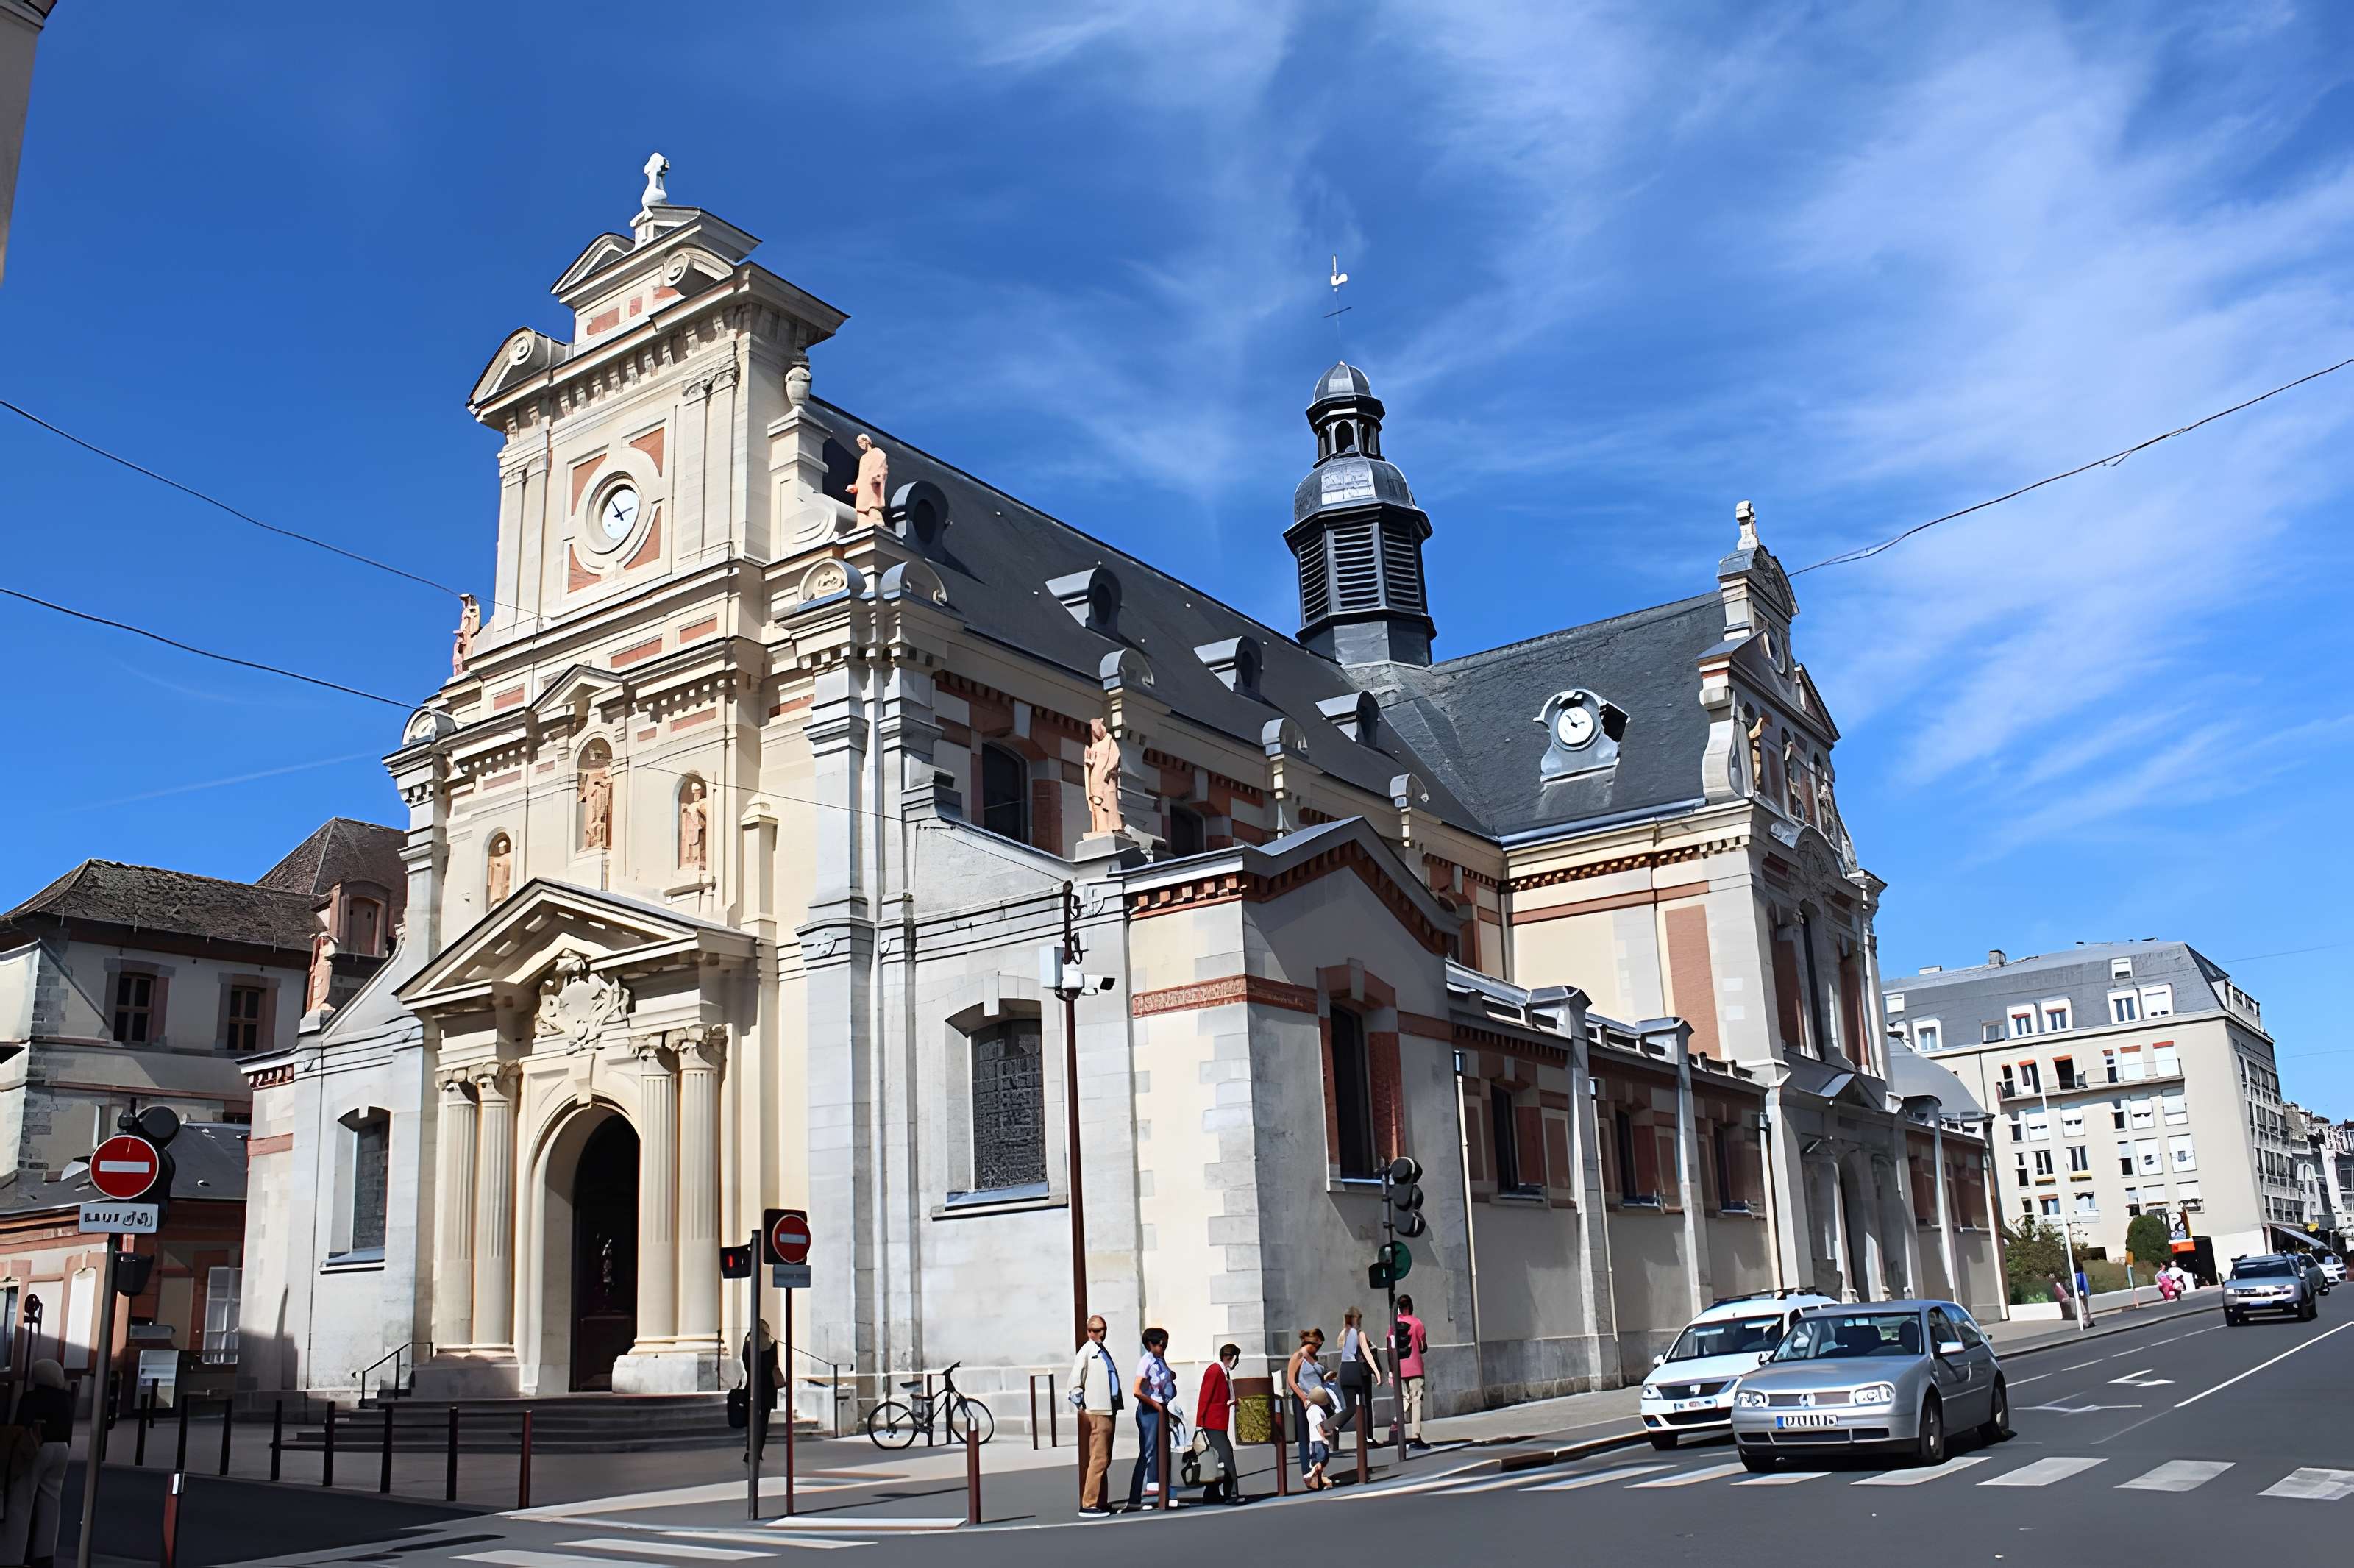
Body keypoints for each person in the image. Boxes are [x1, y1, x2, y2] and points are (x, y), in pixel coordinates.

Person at [2, 1360, 71, 1567]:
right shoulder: (66, 1398)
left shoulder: (31, 1398)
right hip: (62, 1450)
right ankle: (45, 1555)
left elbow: (20, 1426)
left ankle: (11, 1556)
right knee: (51, 1501)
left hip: (37, 1447)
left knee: (21, 1501)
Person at [1067, 1315, 1122, 1517]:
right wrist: (1080, 1403)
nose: (1101, 1333)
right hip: (1098, 1410)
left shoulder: (1100, 1351)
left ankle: (1099, 1500)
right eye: (1097, 1330)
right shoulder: (1088, 1352)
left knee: (1104, 1459)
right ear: (1089, 1331)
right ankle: (1089, 1503)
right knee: (1099, 1458)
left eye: (1103, 1329)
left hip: (1108, 1409)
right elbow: (1075, 1379)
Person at [1126, 1327, 1179, 1512]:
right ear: (1150, 1344)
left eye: (1165, 1343)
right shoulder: (1146, 1361)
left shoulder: (1160, 1359)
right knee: (1147, 1453)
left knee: (1164, 1451)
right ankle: (1134, 1498)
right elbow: (1137, 1390)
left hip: (1161, 1408)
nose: (1163, 1347)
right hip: (1150, 1411)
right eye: (1160, 1344)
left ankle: (1165, 1492)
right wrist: (1156, 1405)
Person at [1195, 1342, 1242, 1504]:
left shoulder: (1222, 1372)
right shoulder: (1215, 1371)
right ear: (1231, 1357)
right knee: (1227, 1457)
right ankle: (1232, 1493)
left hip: (1216, 1423)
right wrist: (1199, 1423)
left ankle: (1211, 1494)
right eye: (1237, 1358)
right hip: (1212, 1424)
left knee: (1215, 1459)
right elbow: (1205, 1397)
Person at [1334, 1306, 1384, 1455]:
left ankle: (1333, 1426)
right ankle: (1367, 1437)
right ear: (1357, 1319)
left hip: (1345, 1371)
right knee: (1365, 1404)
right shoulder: (1360, 1334)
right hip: (1359, 1372)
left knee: (1351, 1407)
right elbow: (1367, 1353)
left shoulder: (1343, 1334)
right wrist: (1377, 1372)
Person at [1284, 1328, 1328, 1480]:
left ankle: (1317, 1469)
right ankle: (1307, 1471)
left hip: (1316, 1399)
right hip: (1303, 1399)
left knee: (1316, 1434)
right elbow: (1291, 1380)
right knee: (1305, 1435)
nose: (1318, 1349)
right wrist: (1303, 1399)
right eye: (1317, 1346)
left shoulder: (1312, 1357)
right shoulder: (1299, 1355)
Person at [1392, 1294, 1430, 1451]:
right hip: (1414, 1367)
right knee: (1416, 1401)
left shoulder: (1393, 1325)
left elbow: (1391, 1346)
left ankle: (1396, 1424)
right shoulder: (1417, 1323)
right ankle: (1416, 1436)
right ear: (1411, 1307)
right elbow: (1423, 1346)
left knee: (1404, 1398)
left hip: (1399, 1368)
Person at [741, 1321, 782, 1461]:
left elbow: (746, 1364)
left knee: (752, 1421)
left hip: (753, 1387)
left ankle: (750, 1450)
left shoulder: (748, 1345)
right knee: (763, 1421)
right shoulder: (773, 1345)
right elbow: (774, 1365)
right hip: (768, 1388)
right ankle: (758, 1451)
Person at [1301, 1388, 1334, 1490]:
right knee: (1323, 1459)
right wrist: (1323, 1437)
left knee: (1318, 1459)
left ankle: (1321, 1481)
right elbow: (1319, 1425)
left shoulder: (1310, 1410)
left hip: (1313, 1440)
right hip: (1319, 1439)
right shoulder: (1317, 1410)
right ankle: (1311, 1474)